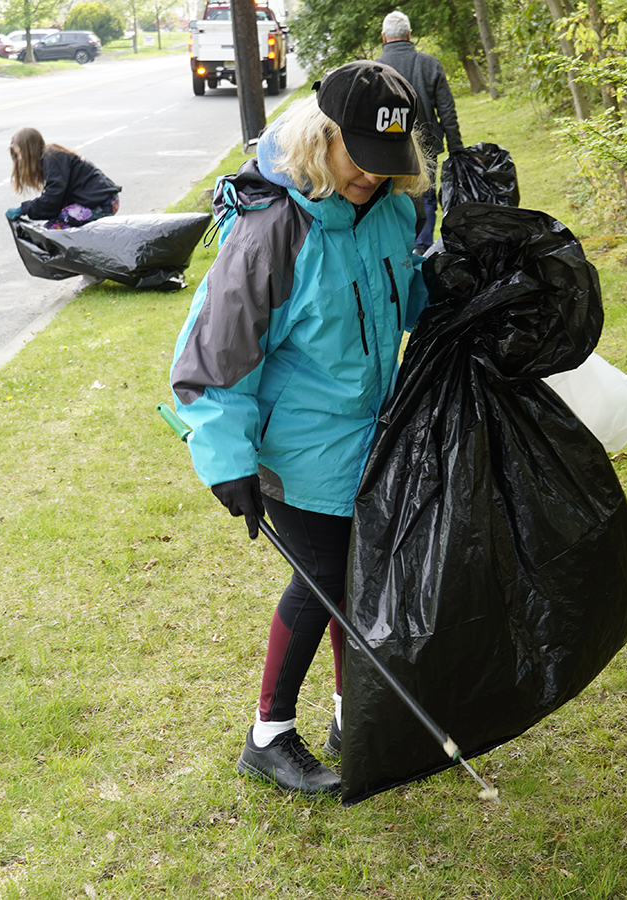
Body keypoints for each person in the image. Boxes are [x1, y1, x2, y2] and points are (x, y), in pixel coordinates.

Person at [170, 61, 431, 795]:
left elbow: (403, 302)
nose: (371, 176)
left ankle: (353, 718)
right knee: (321, 580)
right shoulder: (273, 231)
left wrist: (454, 270)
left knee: (356, 577)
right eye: (360, 158)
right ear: (323, 138)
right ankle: (269, 736)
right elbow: (212, 359)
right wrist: (228, 461)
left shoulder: (392, 211)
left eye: (386, 162)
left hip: (365, 438)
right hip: (293, 450)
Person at [377, 10, 464, 253]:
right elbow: (447, 111)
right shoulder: (429, 64)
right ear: (409, 34)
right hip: (426, 147)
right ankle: (422, 247)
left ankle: (398, 249)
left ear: (384, 37)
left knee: (390, 197)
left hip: (385, 151)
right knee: (425, 195)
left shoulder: (375, 69)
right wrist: (456, 150)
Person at [6, 128, 121, 229]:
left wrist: (24, 209)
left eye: (20, 153)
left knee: (51, 231)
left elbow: (53, 195)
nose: (19, 158)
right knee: (59, 225)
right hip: (104, 199)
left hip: (101, 203)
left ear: (30, 150)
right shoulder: (53, 154)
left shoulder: (52, 157)